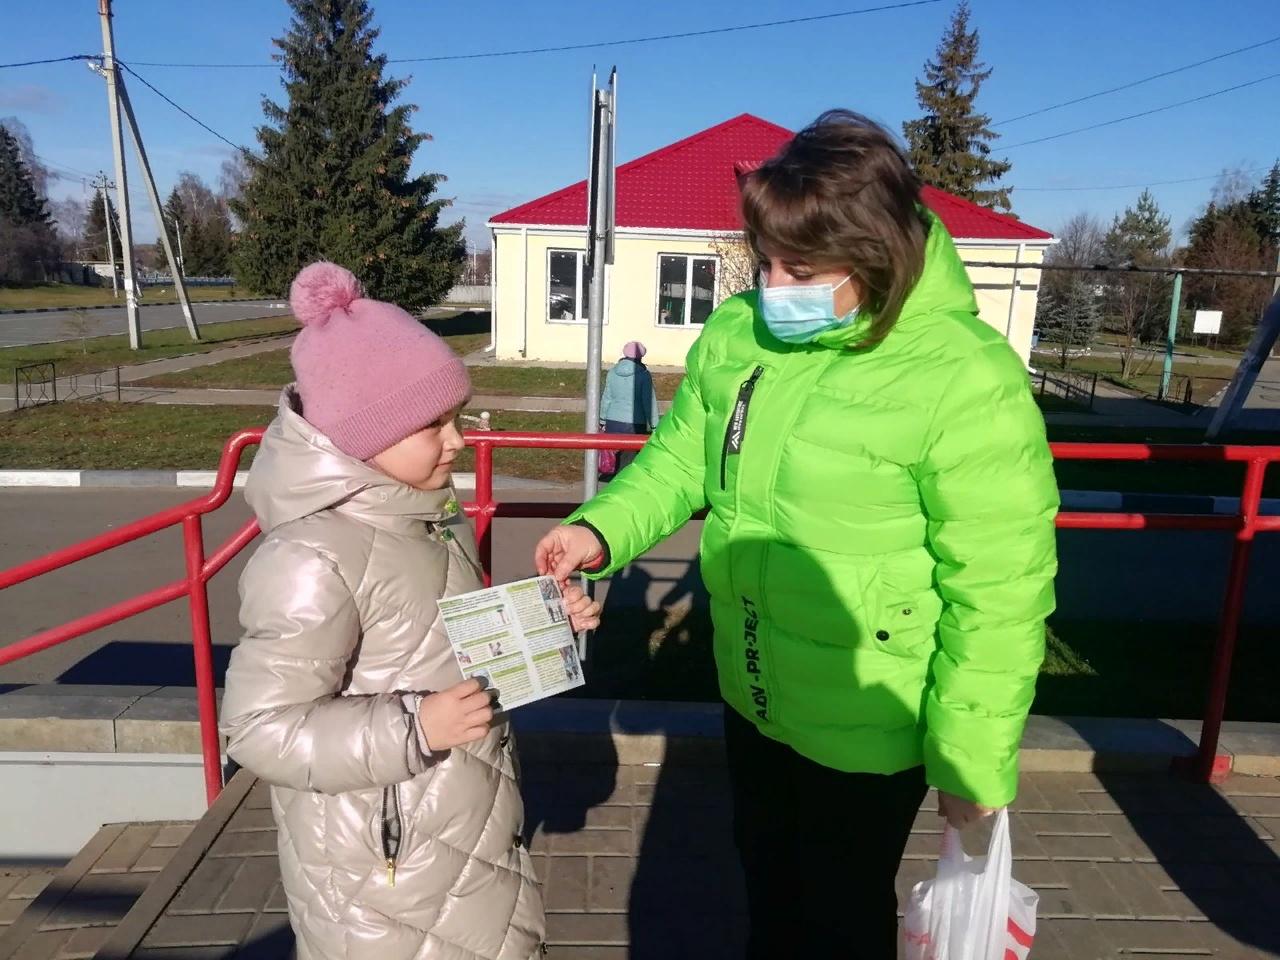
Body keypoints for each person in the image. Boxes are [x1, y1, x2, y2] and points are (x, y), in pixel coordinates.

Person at [534, 110, 1058, 958]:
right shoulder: (742, 333)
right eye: (765, 261)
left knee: (841, 919)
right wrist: (599, 530)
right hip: (755, 689)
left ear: (878, 252)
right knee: (770, 893)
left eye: (801, 268)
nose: (775, 286)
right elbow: (679, 460)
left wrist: (970, 764)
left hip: (868, 720)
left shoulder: (965, 377)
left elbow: (999, 590)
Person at [219, 261, 601, 960]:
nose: (458, 440)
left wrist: (545, 623)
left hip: (465, 827)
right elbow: (257, 729)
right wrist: (415, 725)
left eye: (456, 418)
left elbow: (439, 641)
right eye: (434, 424)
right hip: (379, 880)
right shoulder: (311, 557)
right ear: (367, 436)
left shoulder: (426, 515)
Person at [598, 340, 661, 477]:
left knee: (613, 456)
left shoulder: (612, 372)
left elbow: (607, 397)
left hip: (612, 421)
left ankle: (610, 480)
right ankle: (622, 487)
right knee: (628, 461)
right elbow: (648, 402)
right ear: (640, 357)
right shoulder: (644, 375)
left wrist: (602, 419)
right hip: (634, 423)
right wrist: (655, 426)